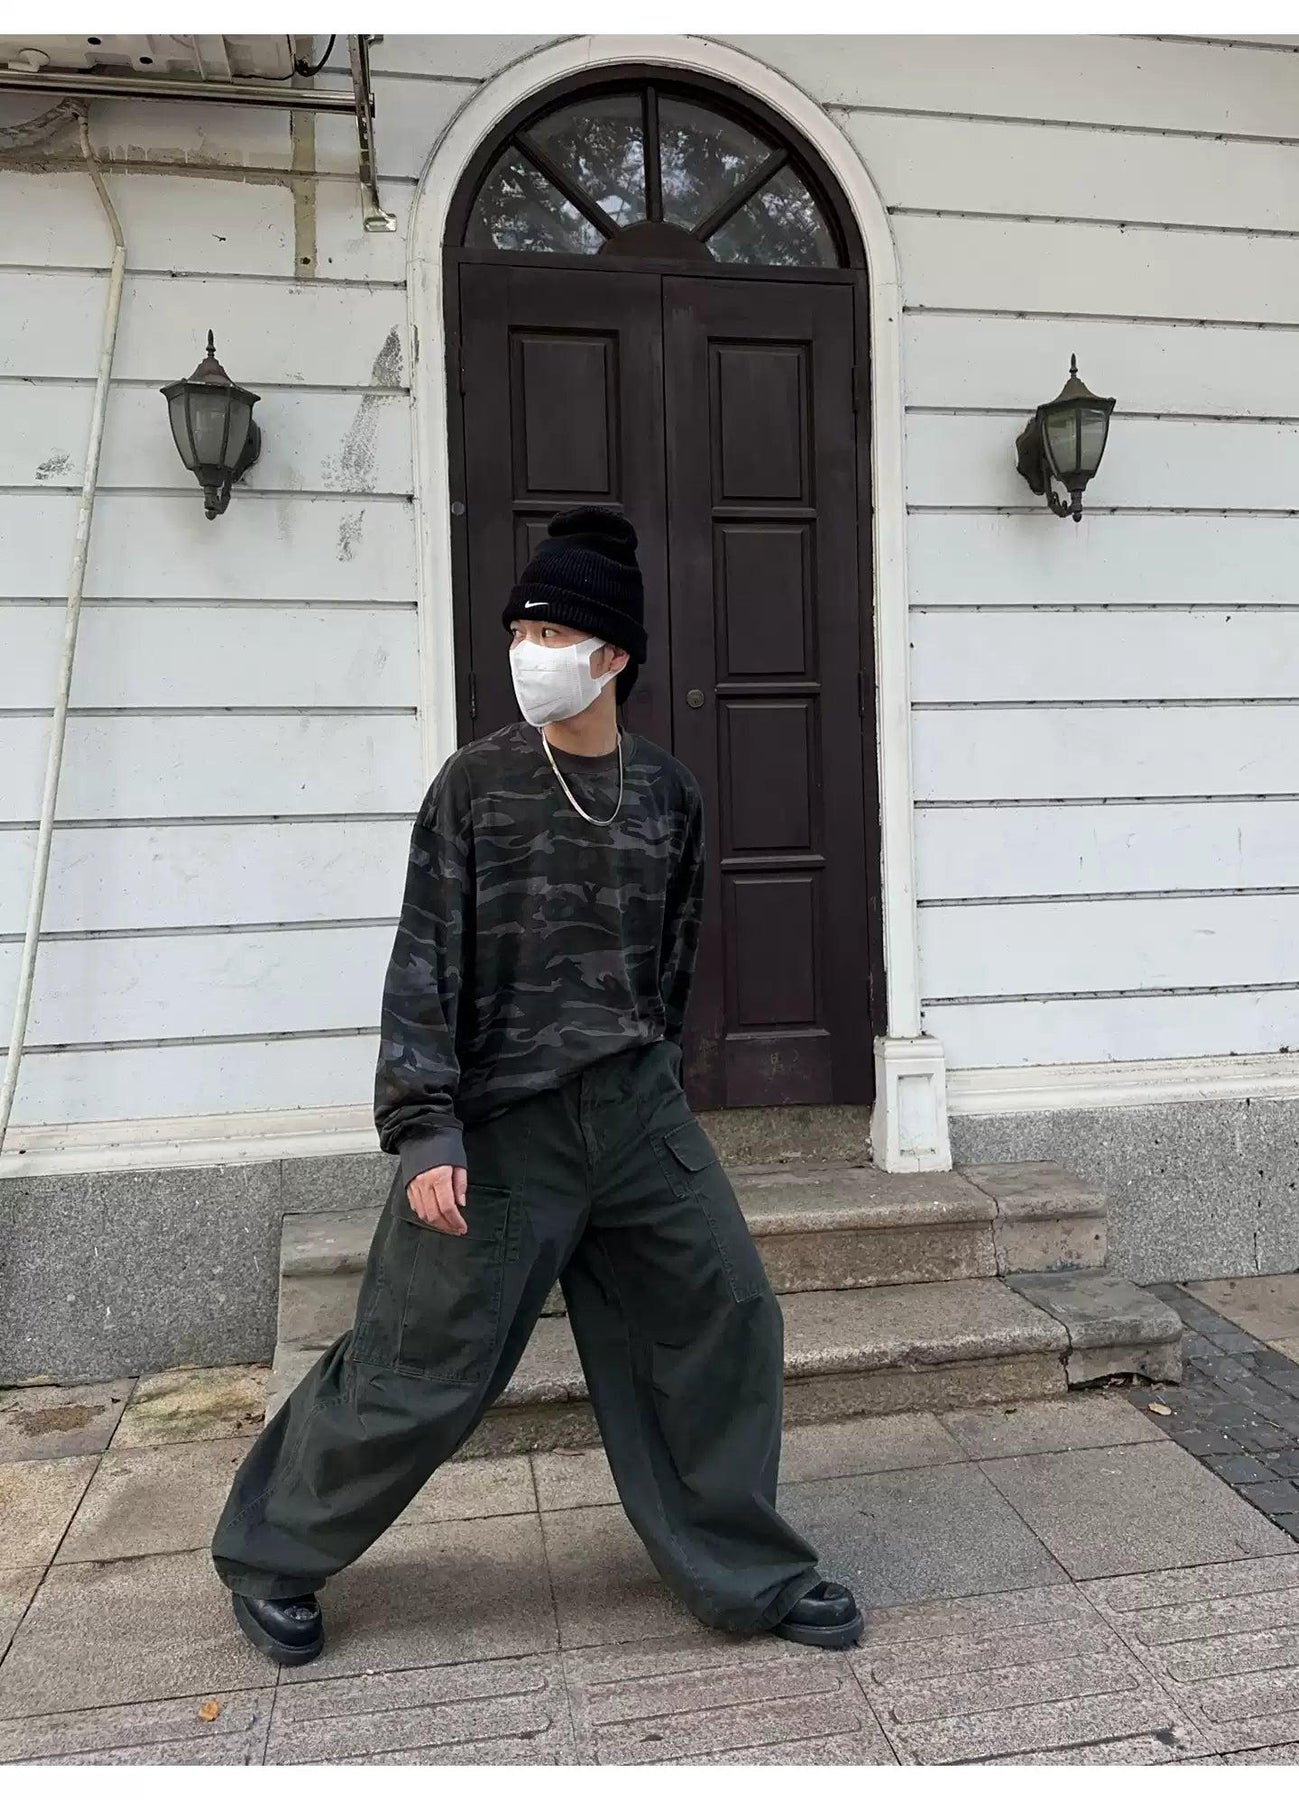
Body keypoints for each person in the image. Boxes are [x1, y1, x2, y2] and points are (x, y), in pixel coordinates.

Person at [210, 505, 863, 1664]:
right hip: (503, 1124)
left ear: (612, 655)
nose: (529, 651)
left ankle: (745, 1568)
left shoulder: (669, 794)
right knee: (423, 1362)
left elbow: (670, 962)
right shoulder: (475, 788)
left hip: (636, 1111)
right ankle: (271, 1553)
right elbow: (424, 961)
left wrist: (652, 1083)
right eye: (521, 630)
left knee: (723, 1313)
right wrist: (425, 1129)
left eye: (552, 632)